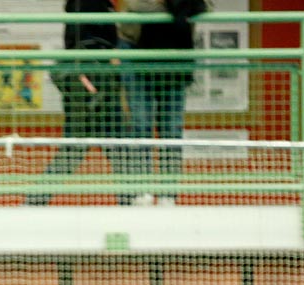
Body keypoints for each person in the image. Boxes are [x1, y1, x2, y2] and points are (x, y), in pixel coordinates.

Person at [31, 0, 126, 207]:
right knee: (114, 146)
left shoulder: (85, 4)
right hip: (94, 79)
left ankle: (35, 201)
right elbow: (85, 41)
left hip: (90, 80)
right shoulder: (88, 4)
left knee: (81, 149)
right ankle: (130, 202)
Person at [115, 0, 210, 205]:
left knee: (172, 130)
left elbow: (206, 5)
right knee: (141, 126)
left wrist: (168, 5)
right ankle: (142, 192)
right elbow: (136, 5)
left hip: (176, 57)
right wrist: (176, 6)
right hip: (138, 53)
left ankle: (168, 194)